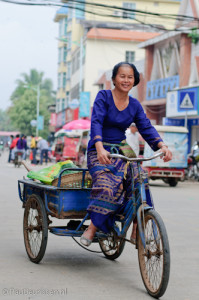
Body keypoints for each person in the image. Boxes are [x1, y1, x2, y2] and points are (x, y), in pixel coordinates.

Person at [80, 61, 172, 247]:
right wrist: (98, 147)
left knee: (140, 179)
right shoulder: (103, 96)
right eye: (122, 76)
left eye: (130, 77)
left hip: (122, 148)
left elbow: (145, 127)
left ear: (134, 80)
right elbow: (96, 121)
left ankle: (137, 225)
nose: (126, 80)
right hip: (99, 149)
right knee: (107, 185)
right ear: (114, 79)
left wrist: (162, 145)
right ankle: (92, 227)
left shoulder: (135, 105)